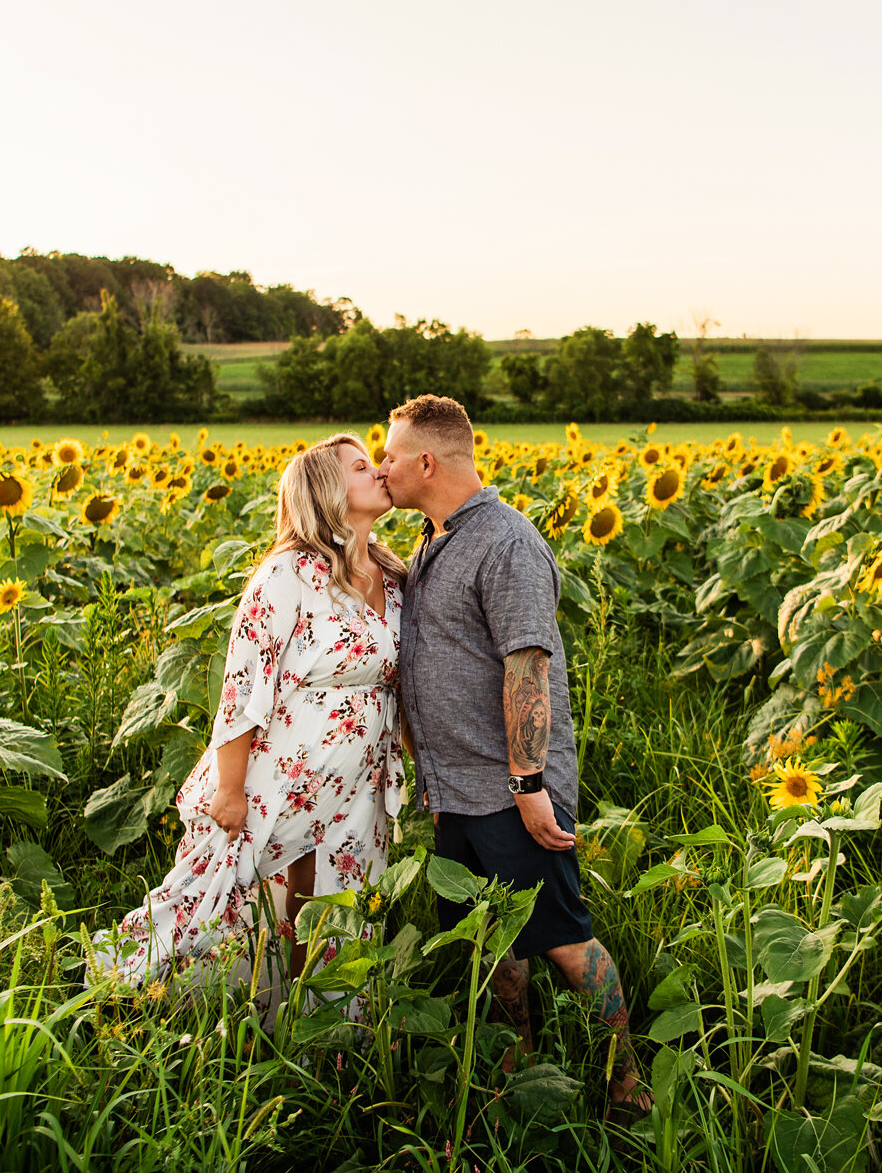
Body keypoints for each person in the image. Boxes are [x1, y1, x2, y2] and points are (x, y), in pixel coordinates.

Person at [376, 393, 652, 1120]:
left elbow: (527, 663)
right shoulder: (437, 538)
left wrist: (529, 782)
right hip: (456, 788)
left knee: (563, 938)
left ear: (427, 462)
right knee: (491, 945)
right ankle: (516, 1073)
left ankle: (626, 1084)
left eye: (391, 456)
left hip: (508, 787)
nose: (383, 468)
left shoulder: (507, 541)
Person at [90, 434, 407, 1000]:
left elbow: (402, 681)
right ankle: (133, 997)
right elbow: (243, 686)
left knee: (338, 897)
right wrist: (230, 788)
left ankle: (320, 1033)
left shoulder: (393, 573)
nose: (380, 471)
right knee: (233, 894)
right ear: (328, 490)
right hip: (283, 772)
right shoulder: (286, 575)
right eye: (363, 466)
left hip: (361, 777)